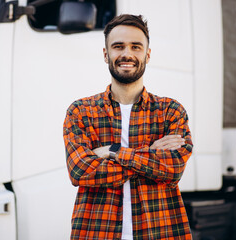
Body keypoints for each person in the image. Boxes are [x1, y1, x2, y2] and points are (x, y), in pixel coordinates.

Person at [63, 14, 193, 240]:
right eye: (118, 46)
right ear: (106, 54)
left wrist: (112, 151)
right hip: (96, 233)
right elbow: (80, 171)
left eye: (136, 46)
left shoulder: (170, 111)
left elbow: (173, 169)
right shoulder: (81, 111)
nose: (127, 54)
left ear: (147, 54)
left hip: (160, 232)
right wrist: (151, 156)